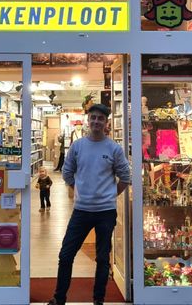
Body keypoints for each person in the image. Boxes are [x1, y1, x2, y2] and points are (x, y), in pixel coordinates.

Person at [47, 104, 131, 305]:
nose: (96, 121)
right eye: (93, 117)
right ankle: (59, 298)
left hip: (106, 212)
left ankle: (98, 300)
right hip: (81, 211)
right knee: (66, 255)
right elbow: (67, 172)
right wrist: (79, 191)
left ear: (106, 122)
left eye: (100, 118)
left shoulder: (114, 148)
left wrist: (110, 195)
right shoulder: (77, 146)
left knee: (102, 259)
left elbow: (125, 177)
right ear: (88, 120)